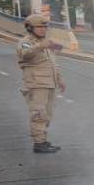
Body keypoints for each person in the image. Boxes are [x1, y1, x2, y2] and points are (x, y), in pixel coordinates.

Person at [16, 14, 65, 153]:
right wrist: (40, 46)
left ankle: (42, 140)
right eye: (39, 27)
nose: (43, 30)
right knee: (39, 114)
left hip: (49, 84)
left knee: (47, 114)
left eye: (44, 27)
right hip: (36, 84)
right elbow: (25, 54)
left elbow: (53, 64)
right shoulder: (26, 41)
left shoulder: (46, 43)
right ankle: (39, 143)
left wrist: (60, 80)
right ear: (30, 28)